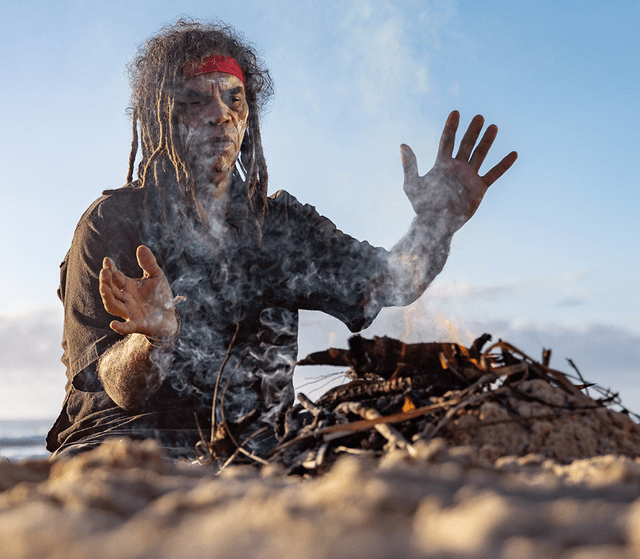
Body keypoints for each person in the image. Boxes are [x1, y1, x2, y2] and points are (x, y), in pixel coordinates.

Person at [45, 19, 517, 461]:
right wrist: (154, 339)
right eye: (195, 100)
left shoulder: (278, 224)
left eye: (234, 98)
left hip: (254, 450)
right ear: (160, 115)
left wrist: (438, 220)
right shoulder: (112, 222)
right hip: (124, 447)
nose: (220, 116)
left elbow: (392, 283)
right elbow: (120, 390)